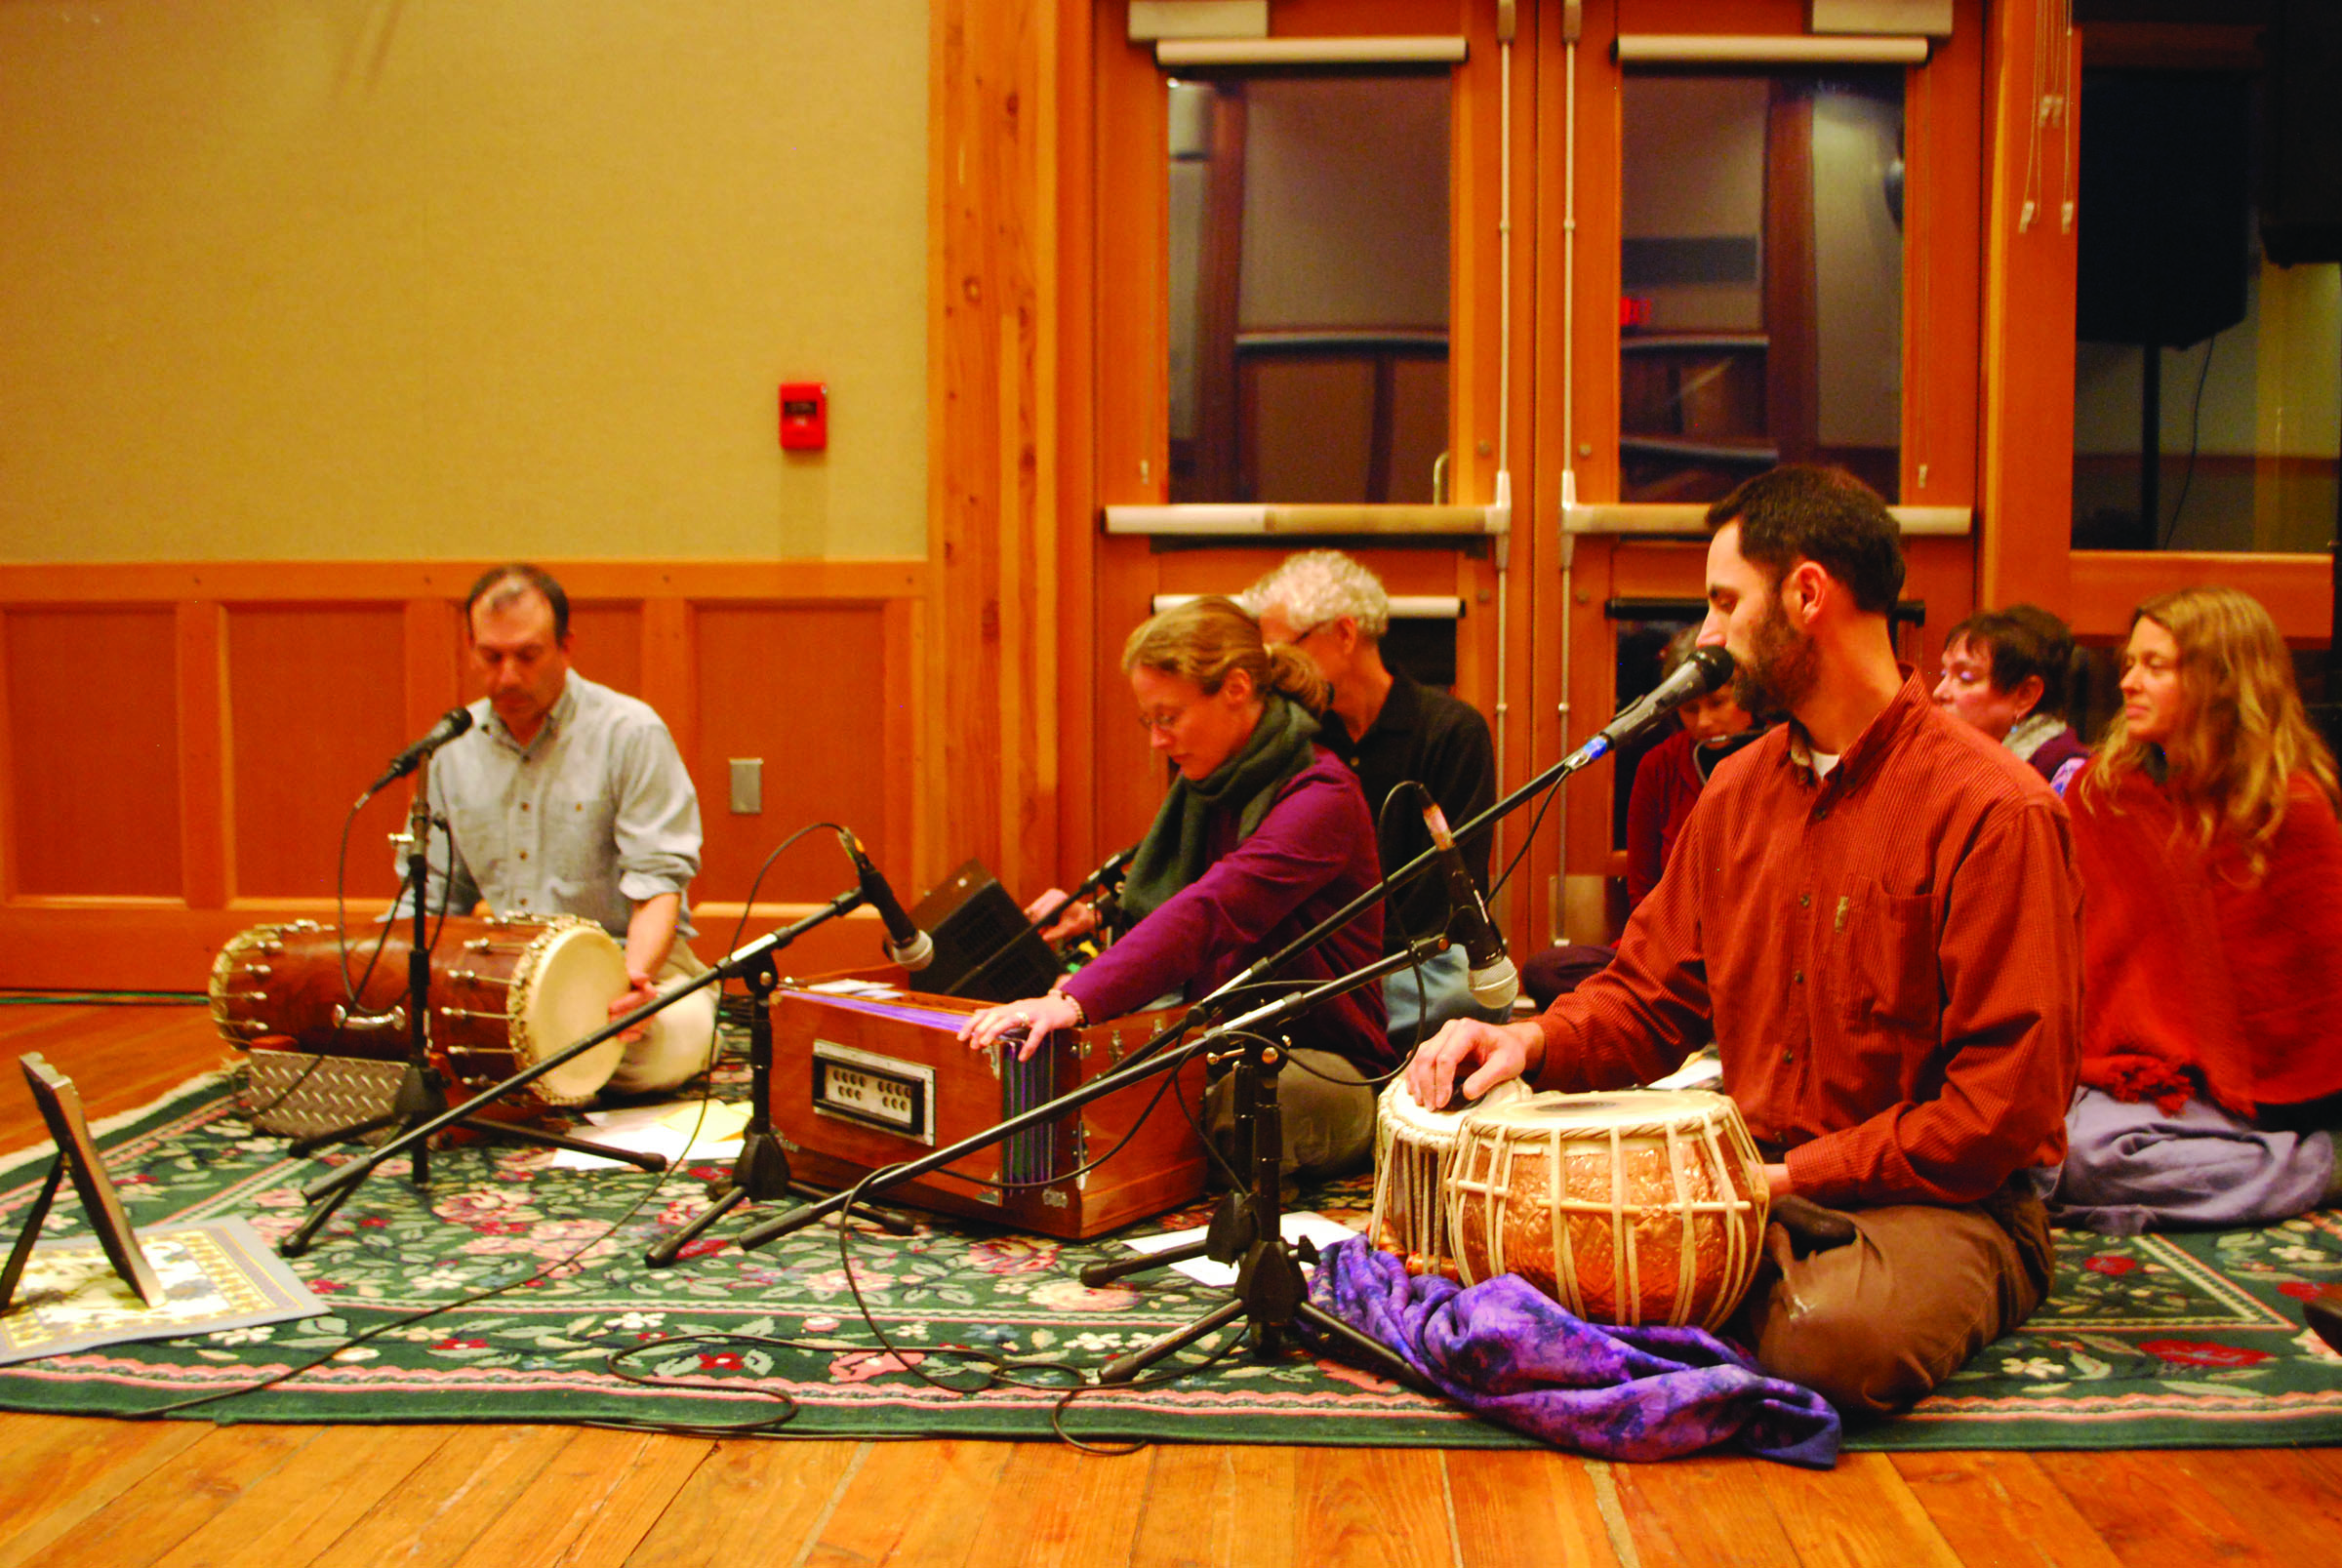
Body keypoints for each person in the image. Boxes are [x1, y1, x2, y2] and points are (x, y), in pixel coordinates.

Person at [1405, 464, 2083, 1419]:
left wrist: (1782, 1179)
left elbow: (2000, 1111)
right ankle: (1720, 1290)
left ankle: (1737, 1299)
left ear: (1807, 595)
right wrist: (1528, 1040)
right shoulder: (1738, 790)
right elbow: (1648, 995)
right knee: (1509, 1259)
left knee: (1829, 1341)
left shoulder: (1992, 807)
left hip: (1941, 1200)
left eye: (1725, 600)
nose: (1711, 634)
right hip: (1751, 1173)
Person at [959, 597, 1388, 1179]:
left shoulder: (1323, 797)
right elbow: (1164, 904)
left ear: (1236, 688)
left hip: (1323, 1064)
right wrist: (1089, 946)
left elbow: (1214, 907)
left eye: (1169, 717)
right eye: (1149, 721)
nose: (1157, 740)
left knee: (1249, 1105)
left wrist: (1074, 999)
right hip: (1214, 1045)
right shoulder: (1209, 787)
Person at [2049, 586, 2342, 1233]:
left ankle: (2318, 1163)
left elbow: (2309, 1002)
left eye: (2156, 666)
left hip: (2237, 1101)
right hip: (2128, 1075)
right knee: (2033, 1144)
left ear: (2220, 681)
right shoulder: (2106, 793)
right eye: (2128, 663)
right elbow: (2076, 952)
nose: (2129, 681)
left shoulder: (2289, 807)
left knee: (2092, 1159)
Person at [406, 565, 716, 1096]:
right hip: (499, 979)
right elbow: (432, 898)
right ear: (470, 648)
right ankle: (542, 1065)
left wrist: (629, 989)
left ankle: (517, 1069)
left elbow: (659, 884)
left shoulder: (630, 732)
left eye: (527, 656)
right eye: (491, 656)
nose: (507, 677)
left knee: (671, 1045)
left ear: (565, 647)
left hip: (624, 968)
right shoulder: (450, 747)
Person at [1238, 551, 1499, 1048]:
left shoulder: (1451, 729)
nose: (1271, 672)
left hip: (1424, 962)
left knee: (1454, 997)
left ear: (1343, 633)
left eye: (1280, 651)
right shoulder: (1296, 738)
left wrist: (1358, 987)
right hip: (1323, 968)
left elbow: (1446, 894)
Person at [1519, 629, 1763, 1007]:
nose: (1703, 722)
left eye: (1718, 703)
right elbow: (1643, 890)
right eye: (1690, 710)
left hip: (1757, 956)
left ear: (1748, 697)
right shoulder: (1658, 766)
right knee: (1547, 970)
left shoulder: (1779, 754)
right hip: (1676, 955)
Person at [1932, 604, 2090, 794]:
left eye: (1966, 678)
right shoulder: (1955, 758)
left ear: (2025, 695)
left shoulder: (2069, 773)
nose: (1939, 692)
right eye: (1943, 674)